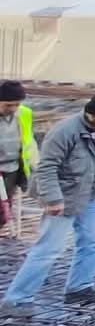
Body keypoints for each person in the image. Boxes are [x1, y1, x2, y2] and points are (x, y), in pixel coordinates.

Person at [1, 92, 95, 318]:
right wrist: (53, 199)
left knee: (93, 243)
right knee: (48, 249)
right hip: (64, 194)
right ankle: (16, 301)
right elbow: (46, 167)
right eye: (94, 116)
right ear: (87, 109)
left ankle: (80, 288)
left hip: (92, 193)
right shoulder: (65, 131)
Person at [0, 82, 35, 232]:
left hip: (13, 169)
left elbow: (29, 141)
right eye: (8, 105)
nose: (13, 109)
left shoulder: (24, 113)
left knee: (4, 211)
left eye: (16, 104)